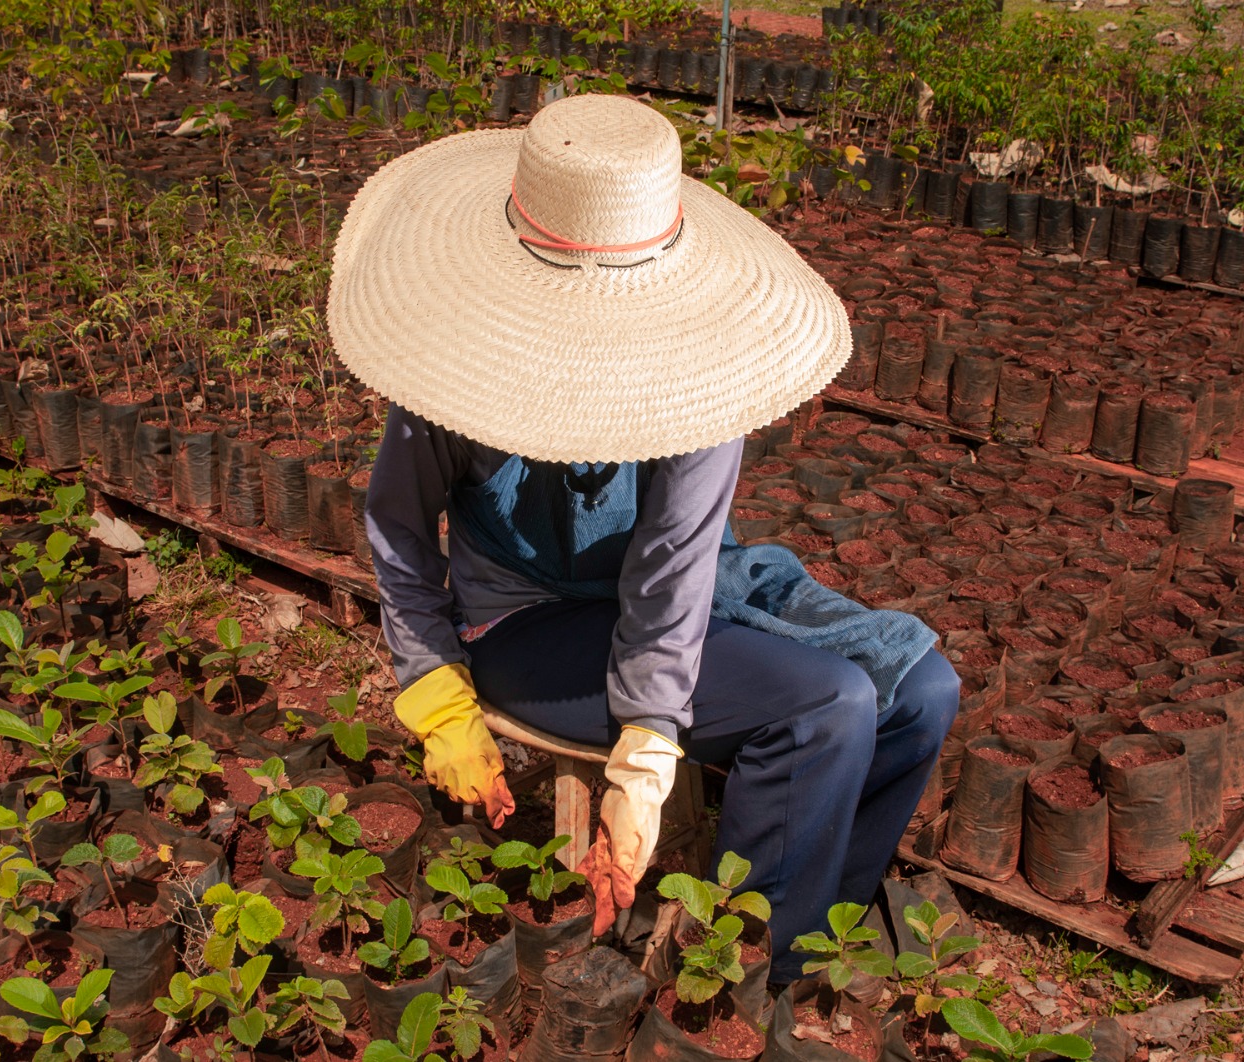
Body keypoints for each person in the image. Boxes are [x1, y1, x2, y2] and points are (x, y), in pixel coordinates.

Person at [327, 93, 960, 983]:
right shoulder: (455, 368)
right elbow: (397, 528)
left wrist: (645, 755)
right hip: (528, 621)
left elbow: (673, 571)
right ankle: (747, 971)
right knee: (828, 705)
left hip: (674, 595)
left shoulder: (701, 374)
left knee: (924, 688)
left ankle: (821, 926)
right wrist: (436, 691)